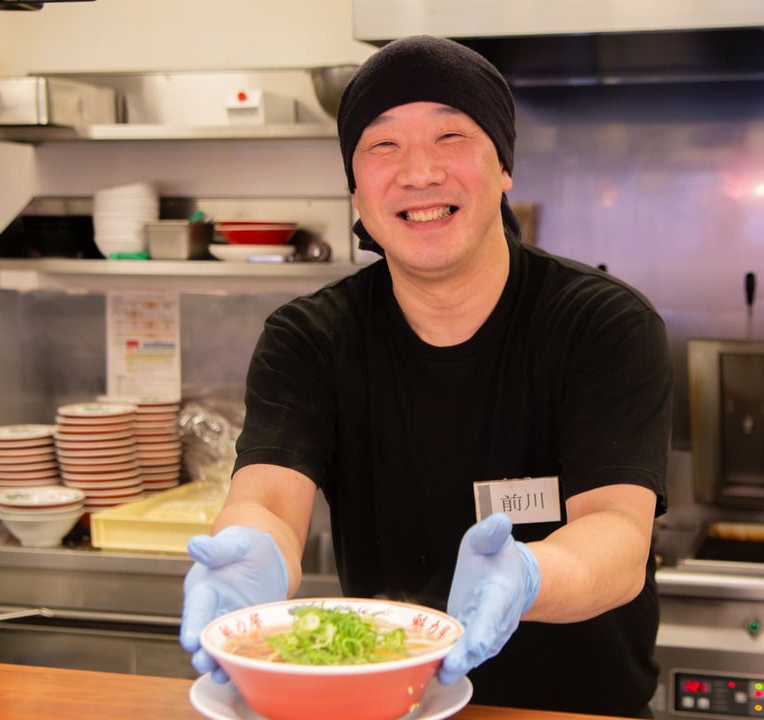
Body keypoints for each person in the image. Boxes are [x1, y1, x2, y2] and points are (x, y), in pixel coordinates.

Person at [180, 35, 671, 718]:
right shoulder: (312, 338)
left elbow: (618, 532)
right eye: (383, 146)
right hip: (393, 708)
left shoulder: (599, 324)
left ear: (503, 167)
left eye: (450, 135)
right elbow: (269, 499)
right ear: (355, 188)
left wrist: (530, 577)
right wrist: (248, 555)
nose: (418, 173)